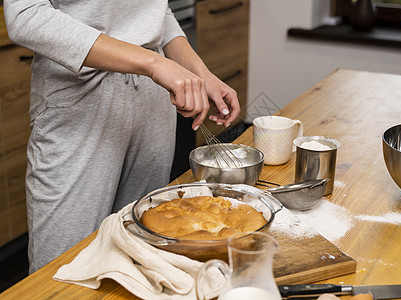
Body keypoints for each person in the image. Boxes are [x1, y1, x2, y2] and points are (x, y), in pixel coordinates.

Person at [4, 0, 240, 273]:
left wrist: (200, 73)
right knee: (61, 269)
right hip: (81, 98)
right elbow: (26, 15)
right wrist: (153, 62)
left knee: (140, 253)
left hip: (153, 95)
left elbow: (156, 11)